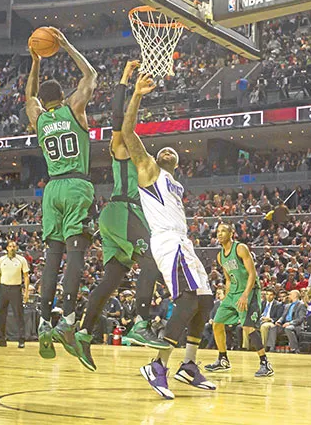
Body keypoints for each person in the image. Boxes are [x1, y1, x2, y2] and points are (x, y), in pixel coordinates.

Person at [121, 74, 216, 400]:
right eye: (162, 149)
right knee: (188, 300)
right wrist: (135, 95)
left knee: (205, 301)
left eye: (171, 151)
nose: (165, 150)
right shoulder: (148, 169)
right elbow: (128, 133)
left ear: (177, 163)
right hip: (167, 240)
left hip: (182, 241)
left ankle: (188, 365)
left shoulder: (175, 184)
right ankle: (157, 366)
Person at [73, 61, 168, 372]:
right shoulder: (121, 148)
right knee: (151, 258)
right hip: (119, 211)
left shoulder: (147, 168)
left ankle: (84, 333)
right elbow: (120, 119)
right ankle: (141, 320)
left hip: (118, 217)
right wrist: (127, 82)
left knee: (112, 279)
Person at [24, 27, 98, 360]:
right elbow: (91, 75)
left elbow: (29, 98)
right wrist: (67, 44)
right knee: (76, 254)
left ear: (44, 100)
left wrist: (35, 62)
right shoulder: (74, 109)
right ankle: (68, 319)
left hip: (51, 189)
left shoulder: (39, 119)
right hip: (76, 185)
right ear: (63, 96)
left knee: (52, 257)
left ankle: (42, 321)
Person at [204, 223, 273, 377]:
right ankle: (223, 359)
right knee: (217, 323)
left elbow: (252, 274)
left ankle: (265, 363)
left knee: (248, 327)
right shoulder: (220, 255)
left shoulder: (240, 248)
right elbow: (228, 279)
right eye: (218, 232)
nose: (220, 234)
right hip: (233, 293)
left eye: (223, 231)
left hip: (249, 291)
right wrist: (228, 298)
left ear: (231, 233)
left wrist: (244, 295)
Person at [0, 241, 30, 349]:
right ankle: (1, 339)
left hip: (16, 289)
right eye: (10, 246)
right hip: (3, 288)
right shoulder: (1, 260)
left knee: (19, 314)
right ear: (7, 248)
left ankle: (21, 339)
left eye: (14, 246)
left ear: (16, 248)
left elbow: (26, 276)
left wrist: (26, 292)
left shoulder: (21, 260)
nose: (12, 248)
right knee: (0, 314)